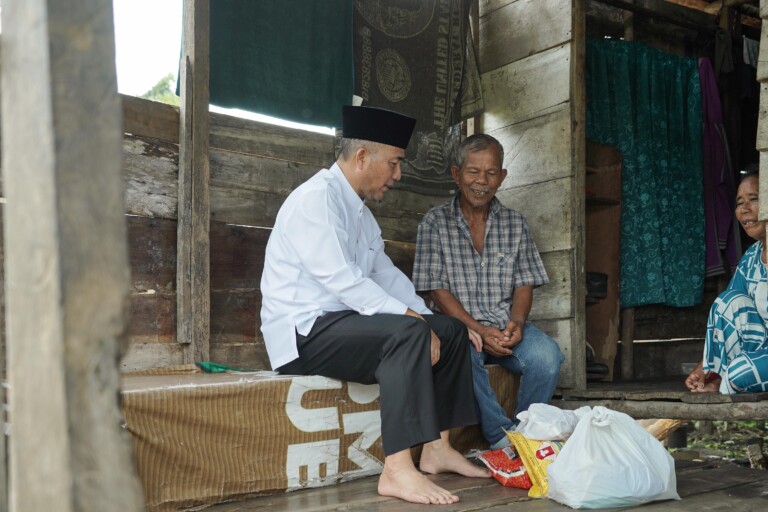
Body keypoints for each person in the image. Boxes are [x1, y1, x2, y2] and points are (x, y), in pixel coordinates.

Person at [260, 105, 490, 505]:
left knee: (448, 330)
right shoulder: (317, 199)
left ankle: (436, 450)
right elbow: (342, 281)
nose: (398, 175)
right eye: (395, 162)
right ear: (363, 156)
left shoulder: (361, 215)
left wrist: (425, 315)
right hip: (303, 333)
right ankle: (397, 471)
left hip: (345, 326)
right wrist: (413, 320)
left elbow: (386, 277)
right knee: (410, 331)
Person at [413, 133, 565, 450]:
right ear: (456, 174)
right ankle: (501, 437)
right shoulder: (435, 222)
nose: (482, 181)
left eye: (491, 172)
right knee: (459, 356)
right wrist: (478, 329)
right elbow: (436, 290)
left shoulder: (515, 223)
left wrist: (517, 324)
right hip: (458, 328)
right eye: (473, 171)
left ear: (502, 177)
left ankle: (527, 433)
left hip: (504, 324)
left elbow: (525, 282)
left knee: (547, 357)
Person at [685, 168, 768, 394]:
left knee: (738, 372)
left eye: (754, 199)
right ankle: (721, 378)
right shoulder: (751, 258)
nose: (744, 209)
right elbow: (726, 315)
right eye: (739, 202)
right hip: (762, 352)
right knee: (727, 301)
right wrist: (704, 368)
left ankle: (725, 381)